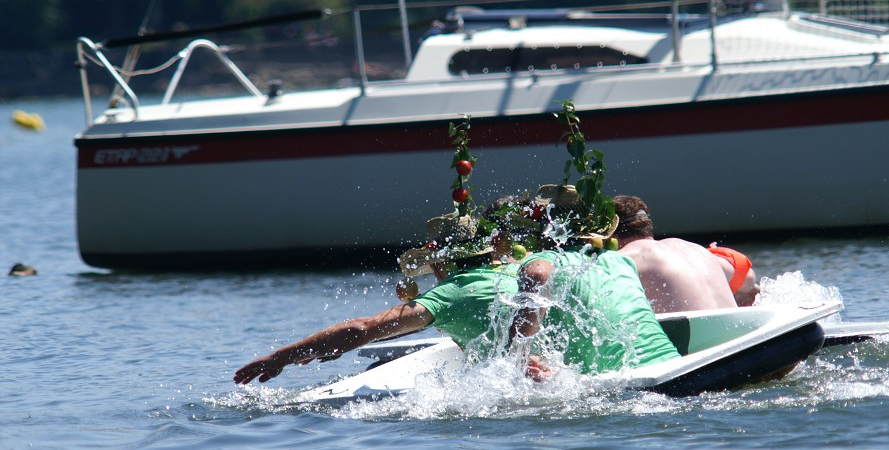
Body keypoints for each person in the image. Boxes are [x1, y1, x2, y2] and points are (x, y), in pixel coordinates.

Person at [233, 213, 520, 385]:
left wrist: (280, 358)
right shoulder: (521, 270)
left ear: (439, 264)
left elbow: (363, 329)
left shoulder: (450, 293)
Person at [509, 185, 682, 380]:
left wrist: (519, 356)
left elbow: (537, 273)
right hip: (673, 364)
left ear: (540, 232)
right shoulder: (621, 260)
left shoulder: (548, 260)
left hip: (631, 382)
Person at [610, 195, 757, 313]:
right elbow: (749, 277)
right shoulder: (695, 250)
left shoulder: (624, 258)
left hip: (697, 344)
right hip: (737, 333)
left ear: (611, 236)